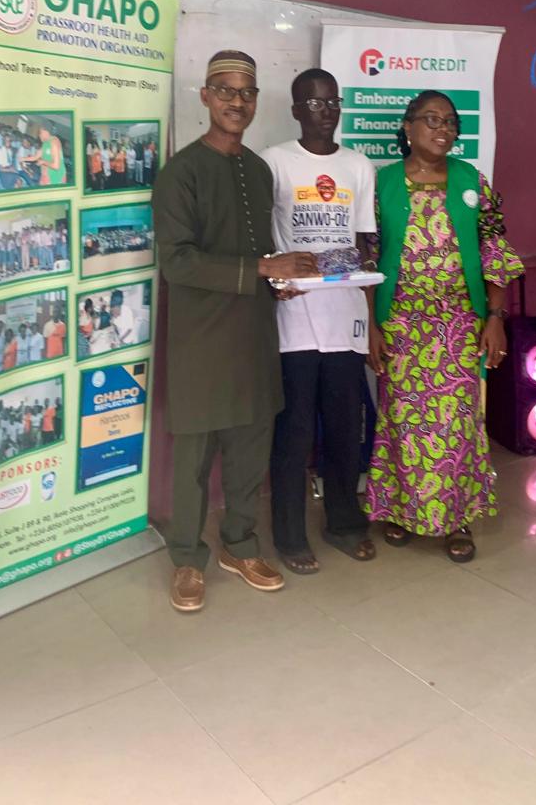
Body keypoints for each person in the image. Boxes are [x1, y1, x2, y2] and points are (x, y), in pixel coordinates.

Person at [154, 49, 319, 613]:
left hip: (253, 333)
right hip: (200, 341)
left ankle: (240, 545)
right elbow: (177, 262)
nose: (236, 101)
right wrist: (265, 269)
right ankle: (186, 558)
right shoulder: (181, 172)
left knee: (250, 451)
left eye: (246, 92)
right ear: (205, 96)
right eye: (224, 90)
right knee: (193, 463)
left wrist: (279, 281)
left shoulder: (257, 169)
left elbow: (259, 251)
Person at [365, 90, 524, 562]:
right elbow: (367, 258)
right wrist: (371, 326)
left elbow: (495, 249)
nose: (444, 129)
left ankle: (457, 518)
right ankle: (401, 511)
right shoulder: (382, 183)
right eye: (432, 119)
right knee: (401, 420)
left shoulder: (472, 180)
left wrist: (495, 317)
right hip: (400, 324)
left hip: (459, 324)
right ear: (408, 126)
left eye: (451, 121)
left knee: (457, 424)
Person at [262, 69, 376, 574]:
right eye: (313, 103)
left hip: (345, 316)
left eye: (332, 102)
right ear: (295, 110)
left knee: (345, 426)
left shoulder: (358, 165)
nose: (325, 111)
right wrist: (274, 279)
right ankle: (289, 535)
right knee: (294, 430)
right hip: (294, 316)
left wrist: (370, 307)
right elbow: (262, 238)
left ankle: (344, 523)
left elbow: (365, 242)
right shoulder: (275, 161)